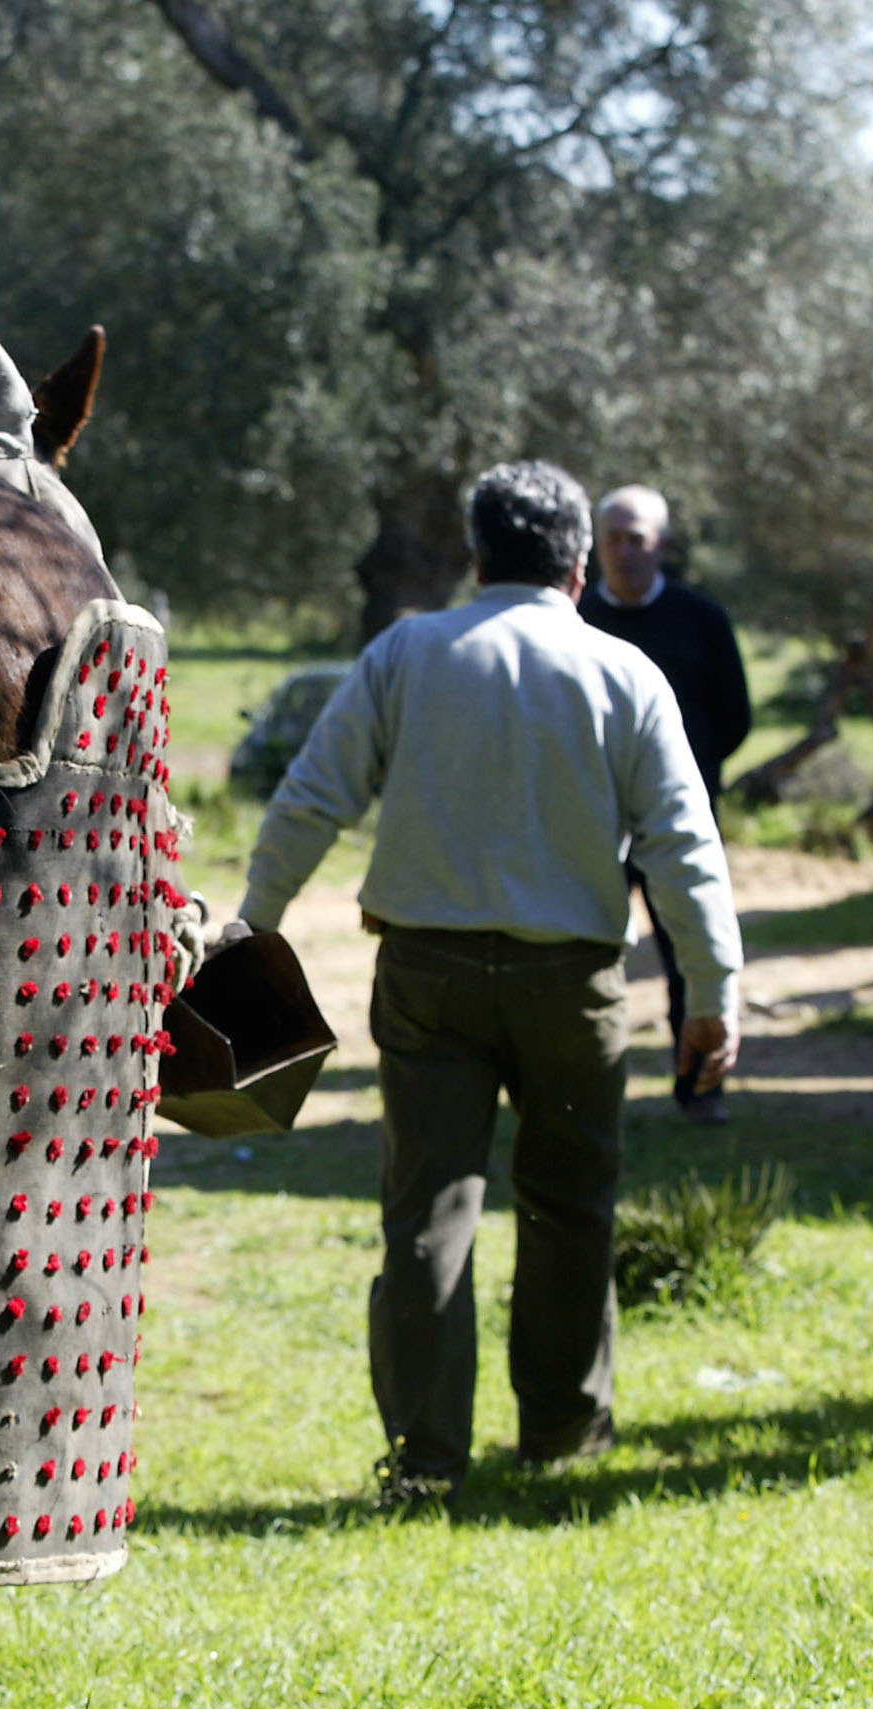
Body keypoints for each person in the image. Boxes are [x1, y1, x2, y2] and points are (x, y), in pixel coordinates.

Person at [237, 461, 742, 1502]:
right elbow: (682, 846)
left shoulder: (408, 653)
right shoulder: (621, 672)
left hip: (426, 972)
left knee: (426, 1210)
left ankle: (423, 1459)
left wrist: (257, 924)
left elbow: (310, 798)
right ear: (575, 562)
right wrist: (711, 994)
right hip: (572, 980)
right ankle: (560, 1432)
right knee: (570, 1205)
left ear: (477, 556)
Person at [580, 485, 751, 1122]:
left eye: (637, 539)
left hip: (679, 820)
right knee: (584, 951)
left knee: (690, 948)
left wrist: (686, 779)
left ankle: (702, 1088)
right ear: (594, 548)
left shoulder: (701, 619)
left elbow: (734, 716)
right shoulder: (573, 620)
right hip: (591, 823)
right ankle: (583, 1092)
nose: (625, 552)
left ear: (662, 545)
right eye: (613, 540)